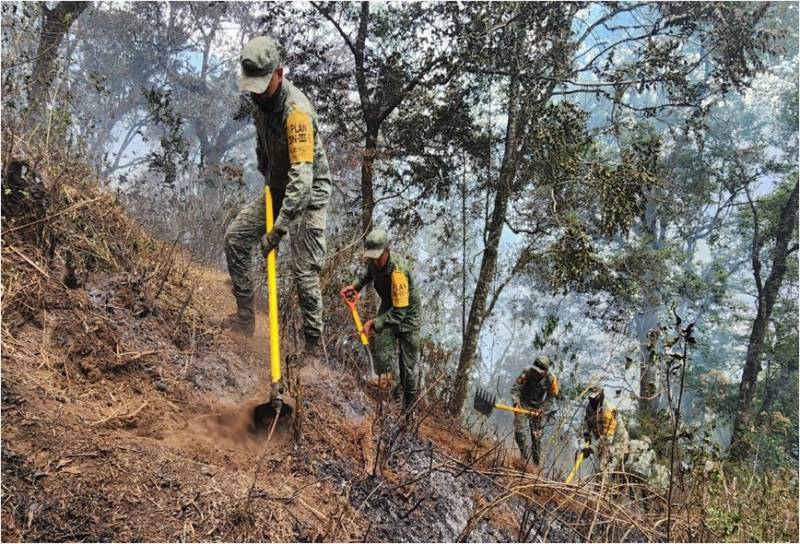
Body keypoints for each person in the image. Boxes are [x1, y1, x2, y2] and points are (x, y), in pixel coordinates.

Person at [217, 36, 332, 367]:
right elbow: (262, 143)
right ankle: (245, 317)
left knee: (304, 271)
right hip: (278, 187)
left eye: (262, 85)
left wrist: (279, 230)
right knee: (236, 238)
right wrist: (265, 171)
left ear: (279, 73)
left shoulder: (296, 114)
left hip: (308, 194)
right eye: (252, 85)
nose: (256, 91)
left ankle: (313, 351)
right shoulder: (259, 101)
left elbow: (303, 178)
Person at [340, 229, 421, 417]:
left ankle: (409, 410)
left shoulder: (398, 273)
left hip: (408, 317)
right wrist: (356, 286)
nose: (375, 261)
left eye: (378, 257)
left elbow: (400, 313)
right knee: (382, 347)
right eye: (372, 257)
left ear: (387, 251)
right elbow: (369, 273)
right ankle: (388, 392)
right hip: (389, 307)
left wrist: (373, 322)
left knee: (407, 367)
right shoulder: (375, 262)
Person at [510, 355, 560, 465]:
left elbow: (551, 397)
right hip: (522, 404)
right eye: (535, 370)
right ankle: (524, 458)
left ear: (545, 371)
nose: (537, 373)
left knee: (536, 438)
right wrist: (516, 402)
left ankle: (536, 465)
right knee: (519, 432)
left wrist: (543, 408)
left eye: (540, 372)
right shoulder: (527, 372)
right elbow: (515, 389)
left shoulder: (551, 379)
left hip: (537, 408)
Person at [582, 386, 628, 472]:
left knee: (603, 470)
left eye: (595, 398)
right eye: (590, 398)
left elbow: (607, 438)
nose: (592, 401)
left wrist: (591, 449)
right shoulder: (590, 406)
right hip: (600, 440)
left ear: (601, 394)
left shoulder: (608, 409)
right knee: (598, 468)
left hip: (616, 442)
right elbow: (586, 421)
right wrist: (586, 434)